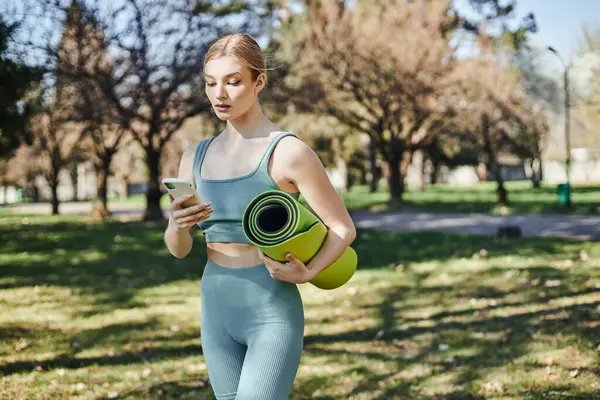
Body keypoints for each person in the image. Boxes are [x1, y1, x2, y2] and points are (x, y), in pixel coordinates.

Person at [163, 33, 356, 400]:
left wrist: (310, 272)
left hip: (270, 307)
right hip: (215, 302)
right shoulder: (193, 156)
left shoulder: (288, 152)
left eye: (234, 82)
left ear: (259, 81)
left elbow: (342, 227)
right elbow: (179, 250)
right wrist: (176, 225)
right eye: (211, 83)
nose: (220, 93)